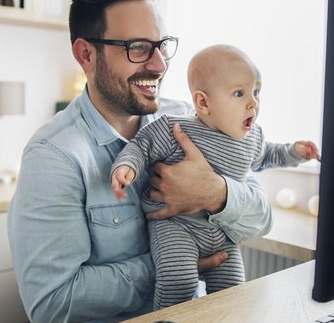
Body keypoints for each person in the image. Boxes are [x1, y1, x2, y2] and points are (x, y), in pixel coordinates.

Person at [7, 0, 274, 323]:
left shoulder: (190, 122)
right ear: (86, 54)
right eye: (137, 47)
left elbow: (263, 218)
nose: (159, 64)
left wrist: (215, 193)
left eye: (162, 45)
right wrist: (170, 265)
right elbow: (51, 301)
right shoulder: (54, 156)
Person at [111, 44, 321, 309]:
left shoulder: (252, 137)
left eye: (256, 92)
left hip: (222, 231)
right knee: (180, 282)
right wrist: (126, 166)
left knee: (234, 291)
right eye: (239, 93)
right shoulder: (176, 127)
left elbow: (268, 156)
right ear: (203, 102)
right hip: (177, 227)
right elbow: (142, 146)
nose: (253, 102)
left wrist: (295, 152)